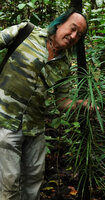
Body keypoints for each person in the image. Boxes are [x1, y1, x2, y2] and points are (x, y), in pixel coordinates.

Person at [0, 8, 87, 200]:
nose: (73, 36)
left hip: (35, 129)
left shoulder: (65, 64)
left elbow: (62, 101)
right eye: (72, 28)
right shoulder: (26, 31)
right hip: (5, 121)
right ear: (60, 24)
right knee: (9, 184)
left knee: (33, 182)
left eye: (78, 35)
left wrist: (80, 103)